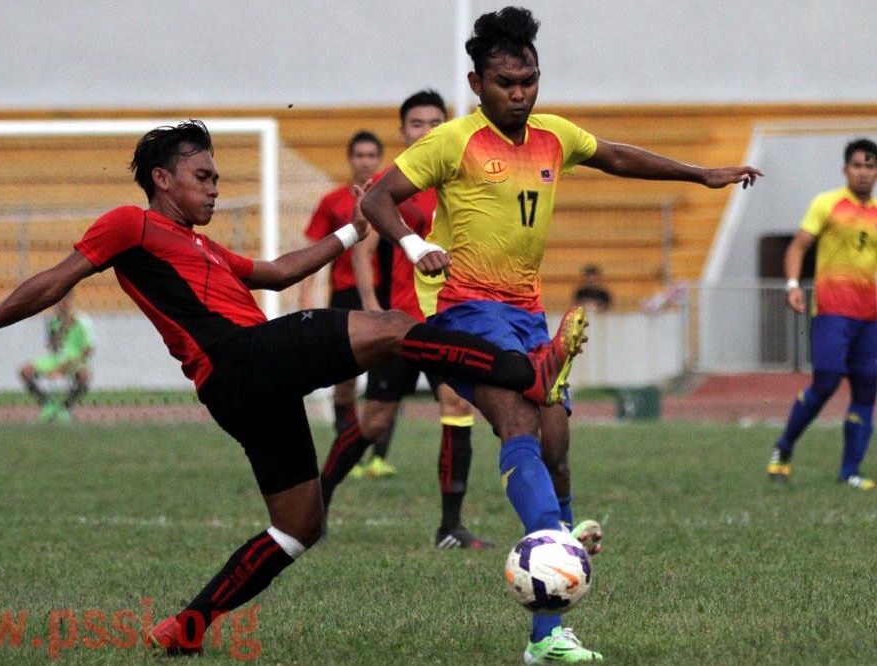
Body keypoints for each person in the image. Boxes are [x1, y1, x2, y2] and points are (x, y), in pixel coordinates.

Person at [0, 119, 585, 656]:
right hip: (241, 359)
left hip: (237, 388)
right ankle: (528, 371)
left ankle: (188, 626)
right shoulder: (130, 223)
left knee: (300, 525)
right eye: (202, 176)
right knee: (395, 326)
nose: (213, 188)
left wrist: (358, 223)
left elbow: (278, 271)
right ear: (161, 178)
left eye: (216, 177)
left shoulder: (202, 246)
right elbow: (54, 281)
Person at [361, 7, 763, 662]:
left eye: (529, 81)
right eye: (505, 83)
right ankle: (549, 618)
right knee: (519, 425)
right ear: (476, 83)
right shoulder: (453, 142)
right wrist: (411, 244)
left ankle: (557, 537)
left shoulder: (553, 136)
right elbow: (374, 197)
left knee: (554, 438)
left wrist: (701, 174)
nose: (519, 94)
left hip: (526, 315)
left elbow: (616, 156)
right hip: (468, 312)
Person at [319, 89, 494, 549]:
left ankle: (450, 527)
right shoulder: (394, 183)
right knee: (375, 421)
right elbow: (365, 249)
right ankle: (317, 501)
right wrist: (372, 309)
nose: (428, 131)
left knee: (457, 407)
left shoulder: (459, 176)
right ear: (402, 131)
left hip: (450, 321)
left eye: (436, 123)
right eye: (418, 124)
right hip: (402, 324)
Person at [767, 138, 877, 491]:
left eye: (870, 166)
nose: (864, 172)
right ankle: (784, 446)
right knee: (826, 381)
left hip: (871, 316)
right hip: (832, 310)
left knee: (865, 392)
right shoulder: (827, 204)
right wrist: (793, 284)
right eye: (858, 165)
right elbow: (798, 246)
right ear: (846, 169)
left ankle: (850, 472)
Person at [301, 131, 390, 455]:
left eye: (370, 155)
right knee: (345, 376)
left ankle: (378, 456)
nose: (365, 161)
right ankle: (346, 445)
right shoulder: (333, 202)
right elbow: (313, 250)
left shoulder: (390, 199)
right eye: (359, 155)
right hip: (344, 295)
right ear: (350, 159)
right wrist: (306, 294)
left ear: (378, 160)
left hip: (382, 294)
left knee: (386, 375)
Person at [18, 290, 94, 422]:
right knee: (25, 371)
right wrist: (63, 328)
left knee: (84, 374)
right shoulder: (53, 322)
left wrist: (66, 366)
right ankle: (48, 404)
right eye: (58, 302)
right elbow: (53, 347)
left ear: (71, 301)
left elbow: (88, 350)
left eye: (65, 301)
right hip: (56, 359)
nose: (61, 305)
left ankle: (66, 408)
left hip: (74, 360)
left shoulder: (83, 321)